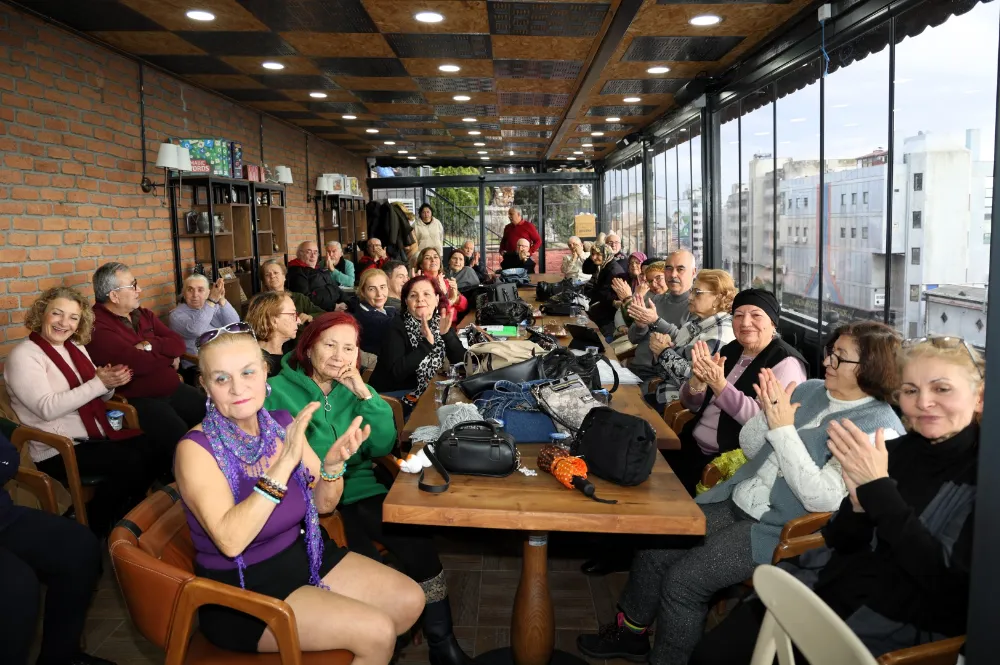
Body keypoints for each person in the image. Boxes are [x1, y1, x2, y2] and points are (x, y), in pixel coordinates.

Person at [579, 321, 904, 665]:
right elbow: (750, 446)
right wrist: (767, 415)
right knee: (655, 547)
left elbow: (821, 498)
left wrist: (783, 429)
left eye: (840, 357)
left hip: (779, 528)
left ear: (871, 368)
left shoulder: (878, 430)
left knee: (683, 581)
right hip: (737, 497)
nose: (827, 362)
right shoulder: (810, 389)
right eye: (830, 353)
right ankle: (631, 633)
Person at [690, 335, 981, 664]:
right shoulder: (894, 451)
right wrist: (856, 507)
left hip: (892, 620)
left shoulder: (980, 481)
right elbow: (840, 538)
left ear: (980, 397)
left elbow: (948, 587)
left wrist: (879, 495)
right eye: (911, 390)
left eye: (942, 389)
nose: (924, 402)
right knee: (710, 655)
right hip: (830, 582)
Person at [176, 325, 424, 658]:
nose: (237, 388)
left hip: (305, 554)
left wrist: (333, 466)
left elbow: (324, 506)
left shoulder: (282, 422)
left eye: (248, 372)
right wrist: (282, 465)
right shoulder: (195, 449)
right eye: (222, 379)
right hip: (243, 589)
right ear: (205, 386)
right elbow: (231, 541)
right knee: (376, 631)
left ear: (265, 371)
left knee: (410, 599)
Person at [265, 313, 473, 665]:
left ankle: (443, 646)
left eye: (349, 348)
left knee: (419, 545)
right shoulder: (276, 391)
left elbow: (382, 445)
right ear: (309, 347)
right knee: (368, 567)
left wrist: (364, 394)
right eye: (329, 345)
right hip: (310, 503)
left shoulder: (357, 389)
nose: (339, 356)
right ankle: (379, 646)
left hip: (362, 490)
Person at [4, 286, 159, 534]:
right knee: (132, 462)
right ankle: (99, 526)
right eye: (57, 313)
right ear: (42, 313)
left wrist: (109, 384)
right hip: (57, 447)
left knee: (154, 446)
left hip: (91, 433)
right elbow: (46, 408)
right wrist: (98, 383)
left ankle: (123, 516)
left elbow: (97, 393)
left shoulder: (75, 346)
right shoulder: (24, 356)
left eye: (73, 317)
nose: (64, 323)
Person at [667, 288, 808, 496]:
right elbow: (691, 405)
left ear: (773, 323)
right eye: (738, 316)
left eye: (756, 315)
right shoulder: (731, 349)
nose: (745, 322)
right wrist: (697, 382)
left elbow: (763, 423)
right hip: (691, 444)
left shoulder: (786, 363)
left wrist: (720, 385)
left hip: (727, 464)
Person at [0, 429, 115, 665]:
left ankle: (60, 657)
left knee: (78, 547)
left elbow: (7, 459)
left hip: (4, 517)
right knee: (16, 587)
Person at [86, 262, 205, 466]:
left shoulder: (143, 314)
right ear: (114, 296)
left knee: (213, 414)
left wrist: (149, 345)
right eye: (133, 285)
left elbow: (177, 343)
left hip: (172, 387)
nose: (139, 290)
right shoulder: (96, 326)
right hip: (138, 399)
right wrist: (167, 356)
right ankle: (180, 480)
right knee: (181, 438)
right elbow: (137, 364)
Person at [369, 275, 465, 410]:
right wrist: (425, 345)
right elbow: (396, 374)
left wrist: (446, 334)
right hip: (393, 397)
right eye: (413, 295)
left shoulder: (440, 321)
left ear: (437, 299)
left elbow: (462, 364)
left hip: (428, 390)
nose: (420, 299)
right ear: (406, 301)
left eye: (427, 294)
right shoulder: (396, 326)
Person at [646, 269, 737, 404]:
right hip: (663, 393)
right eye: (691, 291)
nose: (690, 297)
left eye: (697, 293)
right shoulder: (694, 323)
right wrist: (663, 347)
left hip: (677, 405)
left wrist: (664, 352)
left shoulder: (721, 333)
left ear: (718, 298)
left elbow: (694, 381)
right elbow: (663, 371)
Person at [619, 250, 697, 382]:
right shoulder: (656, 300)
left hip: (660, 378)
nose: (673, 274)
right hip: (636, 369)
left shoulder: (696, 307)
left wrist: (656, 321)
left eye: (680, 269)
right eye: (669, 268)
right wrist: (640, 326)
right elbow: (633, 338)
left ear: (693, 272)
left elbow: (686, 344)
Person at [169, 274, 240, 382]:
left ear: (208, 292)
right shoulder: (176, 315)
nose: (195, 295)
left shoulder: (213, 306)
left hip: (226, 359)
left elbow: (235, 325)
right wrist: (211, 301)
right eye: (190, 290)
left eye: (200, 290)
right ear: (184, 293)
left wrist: (221, 299)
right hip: (199, 366)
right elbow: (197, 330)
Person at [351, 269, 398, 369]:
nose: (379, 294)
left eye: (382, 287)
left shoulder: (389, 310)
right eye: (372, 289)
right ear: (363, 292)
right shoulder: (366, 317)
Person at [246, 292, 299, 377]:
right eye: (292, 314)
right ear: (272, 321)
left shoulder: (290, 349)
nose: (299, 321)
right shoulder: (256, 363)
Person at [286, 241, 347, 313]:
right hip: (320, 312)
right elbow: (305, 300)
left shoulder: (320, 269)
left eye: (315, 252)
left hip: (338, 306)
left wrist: (347, 301)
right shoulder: (296, 272)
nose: (313, 255)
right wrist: (333, 307)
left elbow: (335, 287)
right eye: (309, 252)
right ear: (300, 254)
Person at [260, 257, 324, 325]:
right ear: (264, 281)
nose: (272, 276)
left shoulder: (299, 298)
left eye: (275, 273)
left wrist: (310, 317)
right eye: (267, 275)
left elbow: (323, 314)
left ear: (284, 276)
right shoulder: (261, 304)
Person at [415, 247, 467, 324]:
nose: (433, 260)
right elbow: (436, 313)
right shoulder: (418, 284)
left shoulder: (445, 281)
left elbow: (464, 306)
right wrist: (447, 296)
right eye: (427, 258)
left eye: (436, 257)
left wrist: (455, 297)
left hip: (453, 325)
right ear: (421, 265)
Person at [587, 243, 626, 331]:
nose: (594, 257)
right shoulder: (606, 266)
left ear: (606, 254)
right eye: (592, 254)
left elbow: (606, 295)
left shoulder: (613, 271)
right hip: (604, 309)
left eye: (598, 254)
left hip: (609, 316)